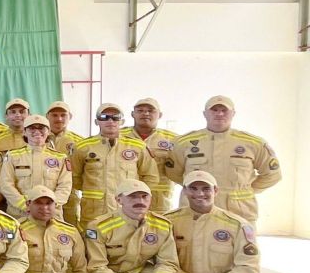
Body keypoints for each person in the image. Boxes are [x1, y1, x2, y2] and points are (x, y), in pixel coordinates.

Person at [165, 96, 281, 225]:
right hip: (195, 210)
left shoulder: (253, 143)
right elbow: (173, 173)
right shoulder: (184, 143)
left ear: (233, 114)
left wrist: (244, 191)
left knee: (241, 239)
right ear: (205, 114)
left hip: (239, 212)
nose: (219, 114)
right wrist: (197, 189)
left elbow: (272, 175)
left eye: (224, 110)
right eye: (214, 110)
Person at [70, 103, 158, 229]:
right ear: (96, 122)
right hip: (94, 211)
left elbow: (151, 177)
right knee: (92, 240)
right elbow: (74, 178)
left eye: (115, 117)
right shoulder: (82, 147)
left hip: (127, 211)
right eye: (104, 117)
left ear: (122, 121)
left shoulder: (137, 146)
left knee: (127, 240)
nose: (110, 121)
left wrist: (137, 198)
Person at [0, 115, 73, 219]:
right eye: (32, 128)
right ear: (24, 132)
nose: (37, 131)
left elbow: (65, 187)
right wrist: (25, 206)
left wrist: (48, 207)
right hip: (19, 214)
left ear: (48, 131)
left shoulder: (60, 158)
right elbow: (6, 185)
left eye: (41, 128)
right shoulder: (12, 156)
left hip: (50, 216)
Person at [124, 98, 179, 212]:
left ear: (160, 115)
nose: (145, 113)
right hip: (127, 199)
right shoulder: (119, 136)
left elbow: (180, 170)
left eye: (150, 110)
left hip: (160, 202)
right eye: (140, 110)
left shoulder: (173, 139)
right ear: (132, 114)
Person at [44, 101, 83, 225]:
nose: (59, 119)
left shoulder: (80, 142)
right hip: (44, 194)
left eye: (63, 115)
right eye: (54, 115)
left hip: (70, 196)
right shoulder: (37, 138)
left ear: (70, 116)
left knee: (70, 229)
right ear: (47, 116)